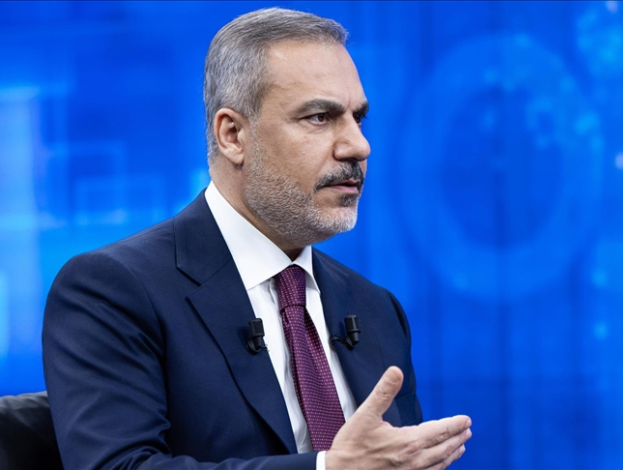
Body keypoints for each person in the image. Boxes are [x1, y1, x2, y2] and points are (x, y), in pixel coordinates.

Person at [42, 7, 472, 470]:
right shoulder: (112, 290)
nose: (357, 146)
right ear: (233, 135)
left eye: (358, 118)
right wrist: (327, 469)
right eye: (320, 117)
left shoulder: (377, 309)